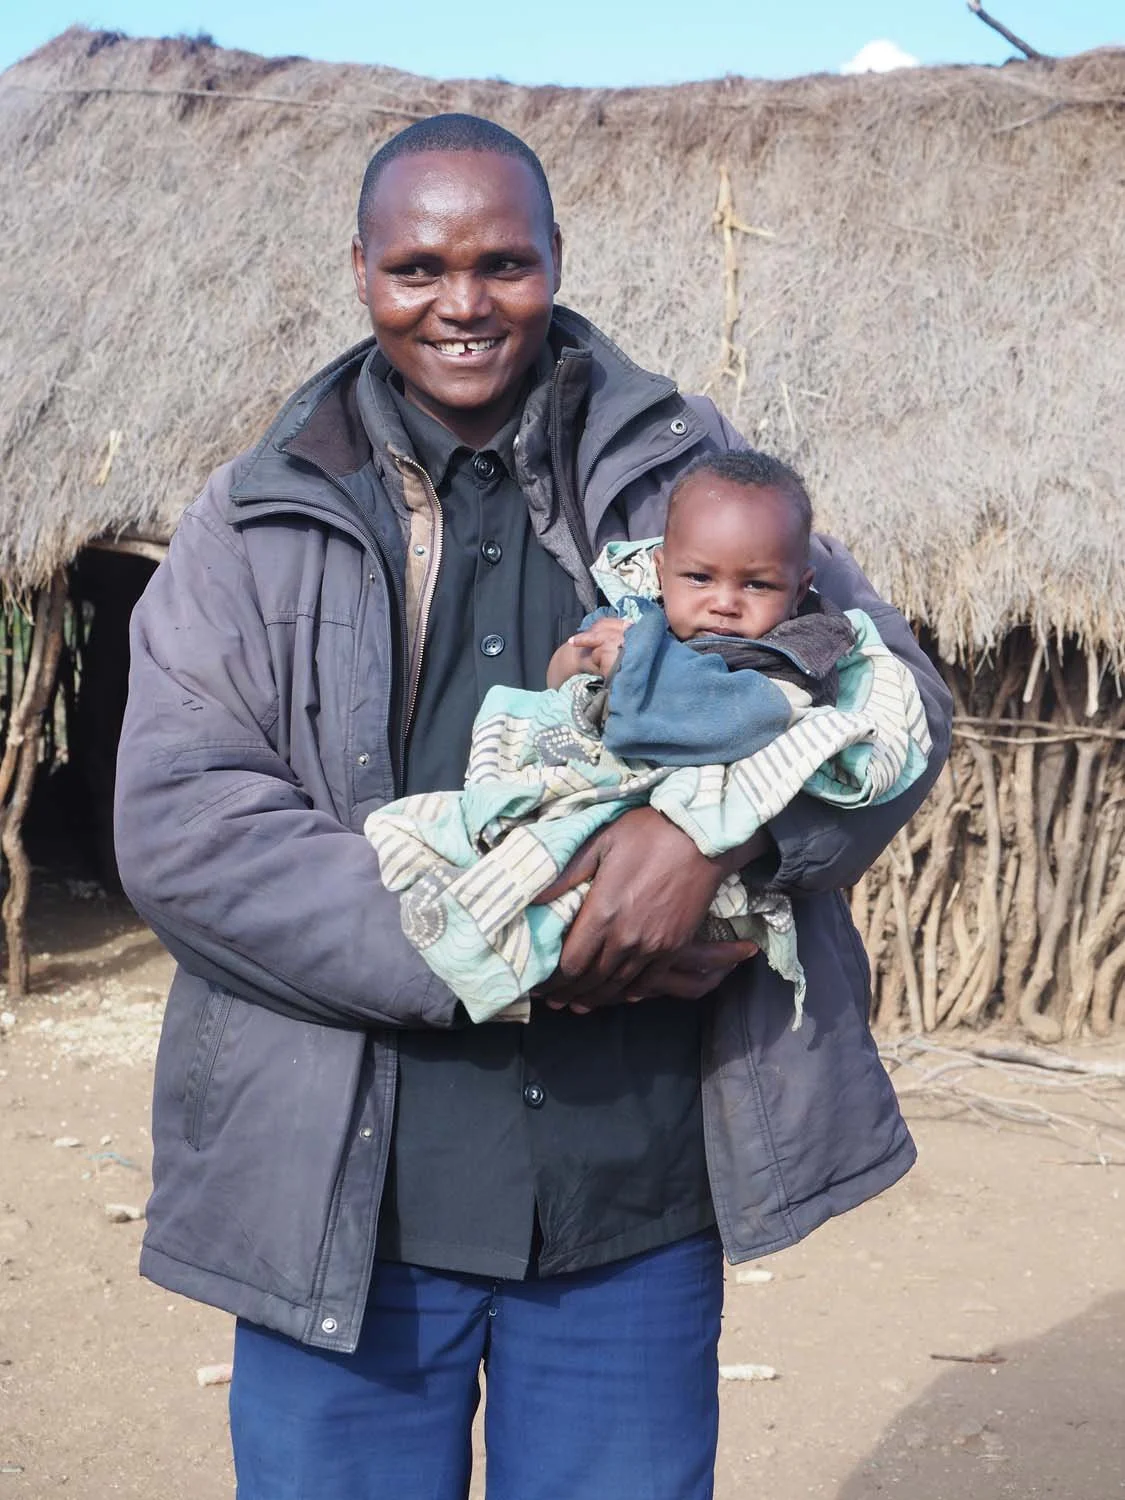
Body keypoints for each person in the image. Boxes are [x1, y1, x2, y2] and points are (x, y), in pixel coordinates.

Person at [114, 112, 952, 1500]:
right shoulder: (257, 517)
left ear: (556, 261)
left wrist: (718, 832)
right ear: (362, 270)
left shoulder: (689, 474)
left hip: (628, 1195)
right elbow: (185, 825)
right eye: (419, 266)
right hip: (345, 1199)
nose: (462, 301)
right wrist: (515, 946)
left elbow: (897, 698)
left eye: (503, 262)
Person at [365, 449, 933, 1026]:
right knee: (446, 832)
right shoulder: (642, 616)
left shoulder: (791, 657)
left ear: (799, 587)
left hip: (672, 827)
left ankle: (516, 945)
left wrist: (631, 669)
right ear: (661, 570)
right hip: (584, 782)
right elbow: (574, 685)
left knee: (546, 879)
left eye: (757, 585)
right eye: (698, 577)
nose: (724, 603)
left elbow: (734, 720)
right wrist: (574, 663)